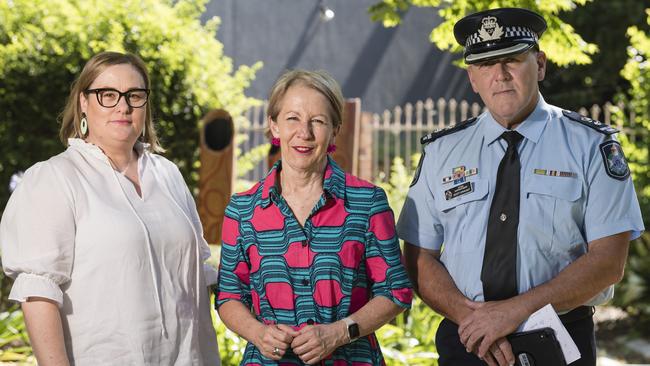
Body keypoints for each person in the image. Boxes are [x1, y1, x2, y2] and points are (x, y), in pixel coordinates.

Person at [397, 7, 645, 366]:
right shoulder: (441, 152)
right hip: (466, 340)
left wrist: (512, 312)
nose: (500, 75)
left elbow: (608, 261)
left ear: (540, 64)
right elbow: (419, 257)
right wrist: (474, 321)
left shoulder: (591, 146)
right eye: (485, 64)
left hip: (559, 341)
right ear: (472, 77)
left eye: (512, 60)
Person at [0, 51, 221, 365]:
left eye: (134, 95)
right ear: (83, 103)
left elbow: (197, 277)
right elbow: (39, 294)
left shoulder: (168, 175)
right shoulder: (54, 179)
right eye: (107, 95)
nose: (123, 106)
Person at [215, 69, 413, 365]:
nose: (304, 133)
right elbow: (229, 296)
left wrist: (339, 333)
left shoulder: (367, 202)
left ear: (334, 130)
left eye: (318, 121)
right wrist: (257, 333)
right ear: (274, 125)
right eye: (292, 118)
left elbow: (396, 291)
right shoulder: (243, 210)